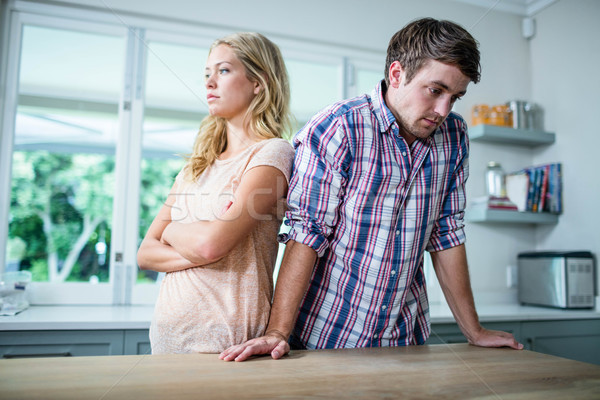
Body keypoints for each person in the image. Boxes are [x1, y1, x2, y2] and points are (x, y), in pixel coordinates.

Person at [220, 18, 523, 362]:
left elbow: (447, 233)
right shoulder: (339, 126)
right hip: (326, 338)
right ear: (397, 74)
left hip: (406, 339)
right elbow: (307, 234)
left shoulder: (454, 137)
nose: (443, 111)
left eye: (455, 97)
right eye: (435, 90)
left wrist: (475, 330)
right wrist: (277, 332)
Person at [137, 32, 295, 354]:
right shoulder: (195, 166)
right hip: (166, 341)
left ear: (259, 82)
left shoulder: (272, 154)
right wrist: (202, 244)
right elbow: (145, 254)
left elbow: (211, 246)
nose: (209, 83)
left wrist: (171, 229)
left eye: (223, 71)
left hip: (225, 345)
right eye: (207, 74)